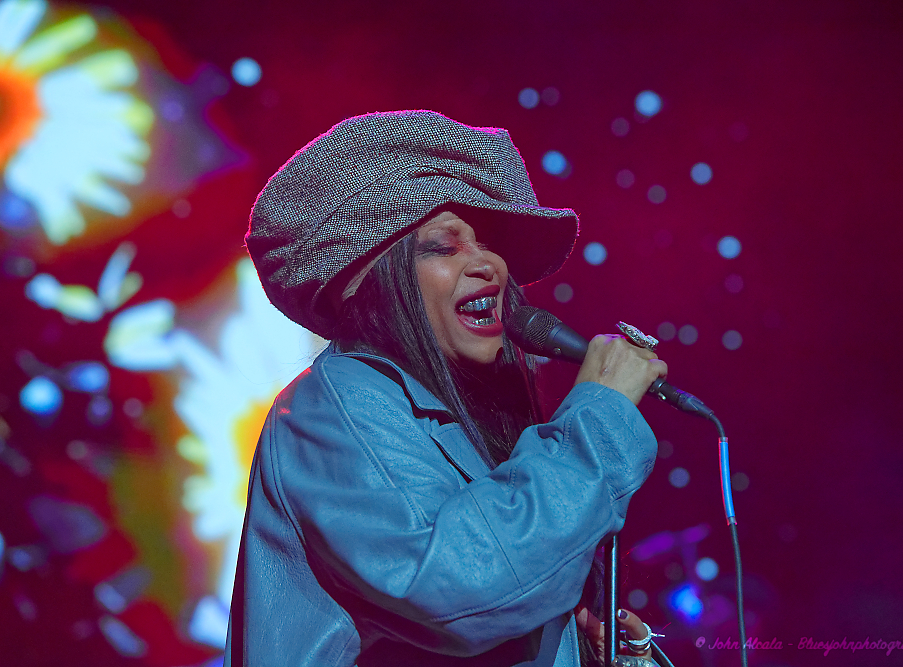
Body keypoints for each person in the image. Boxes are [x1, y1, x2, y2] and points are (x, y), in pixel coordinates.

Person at [226, 110, 668, 667]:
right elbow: (459, 589)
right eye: (443, 246)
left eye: (487, 243)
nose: (488, 264)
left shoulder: (469, 421)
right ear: (370, 279)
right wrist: (599, 416)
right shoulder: (334, 401)